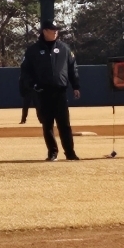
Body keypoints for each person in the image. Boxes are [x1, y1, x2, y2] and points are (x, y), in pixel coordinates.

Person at [20, 20, 80, 161]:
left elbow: (73, 68)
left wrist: (76, 86)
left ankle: (70, 153)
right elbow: (25, 71)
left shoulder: (64, 49)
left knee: (64, 124)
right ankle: (52, 153)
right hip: (42, 92)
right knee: (47, 124)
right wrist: (32, 85)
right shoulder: (33, 50)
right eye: (52, 30)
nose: (55, 32)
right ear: (44, 31)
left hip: (60, 91)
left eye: (56, 30)